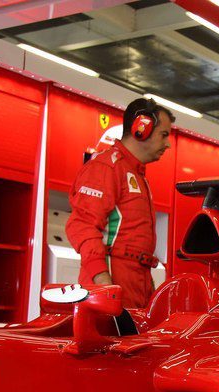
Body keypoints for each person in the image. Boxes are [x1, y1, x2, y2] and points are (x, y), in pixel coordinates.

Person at [66, 97, 173, 309]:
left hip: (135, 283)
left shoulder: (135, 173)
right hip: (111, 281)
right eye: (164, 135)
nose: (167, 144)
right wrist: (103, 282)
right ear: (141, 129)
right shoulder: (106, 168)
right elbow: (82, 226)